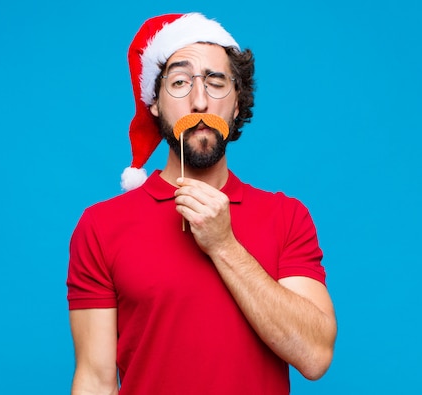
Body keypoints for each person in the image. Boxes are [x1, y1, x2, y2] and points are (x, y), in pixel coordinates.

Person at [66, 12, 337, 395]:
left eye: (216, 82)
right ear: (154, 104)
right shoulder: (101, 227)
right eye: (179, 82)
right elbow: (95, 380)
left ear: (238, 104)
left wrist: (223, 244)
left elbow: (315, 356)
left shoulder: (286, 217)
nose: (199, 101)